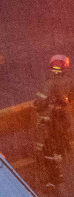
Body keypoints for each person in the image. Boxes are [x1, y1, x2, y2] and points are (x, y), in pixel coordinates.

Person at [36, 54, 72, 188]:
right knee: (59, 148)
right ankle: (58, 177)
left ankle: (53, 180)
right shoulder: (69, 81)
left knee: (49, 150)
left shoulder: (49, 83)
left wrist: (40, 105)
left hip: (51, 123)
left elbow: (40, 102)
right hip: (63, 122)